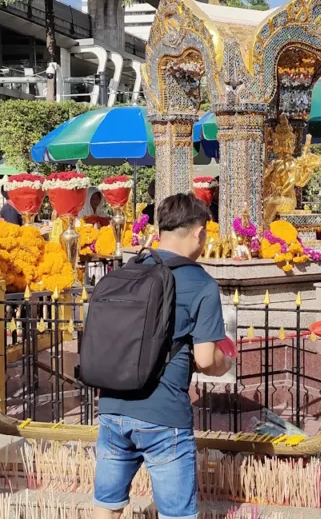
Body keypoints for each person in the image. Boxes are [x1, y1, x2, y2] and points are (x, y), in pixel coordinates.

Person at [93, 193, 233, 519]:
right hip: (163, 416)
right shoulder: (201, 283)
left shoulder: (127, 271)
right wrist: (227, 361)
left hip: (112, 409)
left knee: (107, 505)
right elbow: (207, 360)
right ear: (199, 232)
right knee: (176, 515)